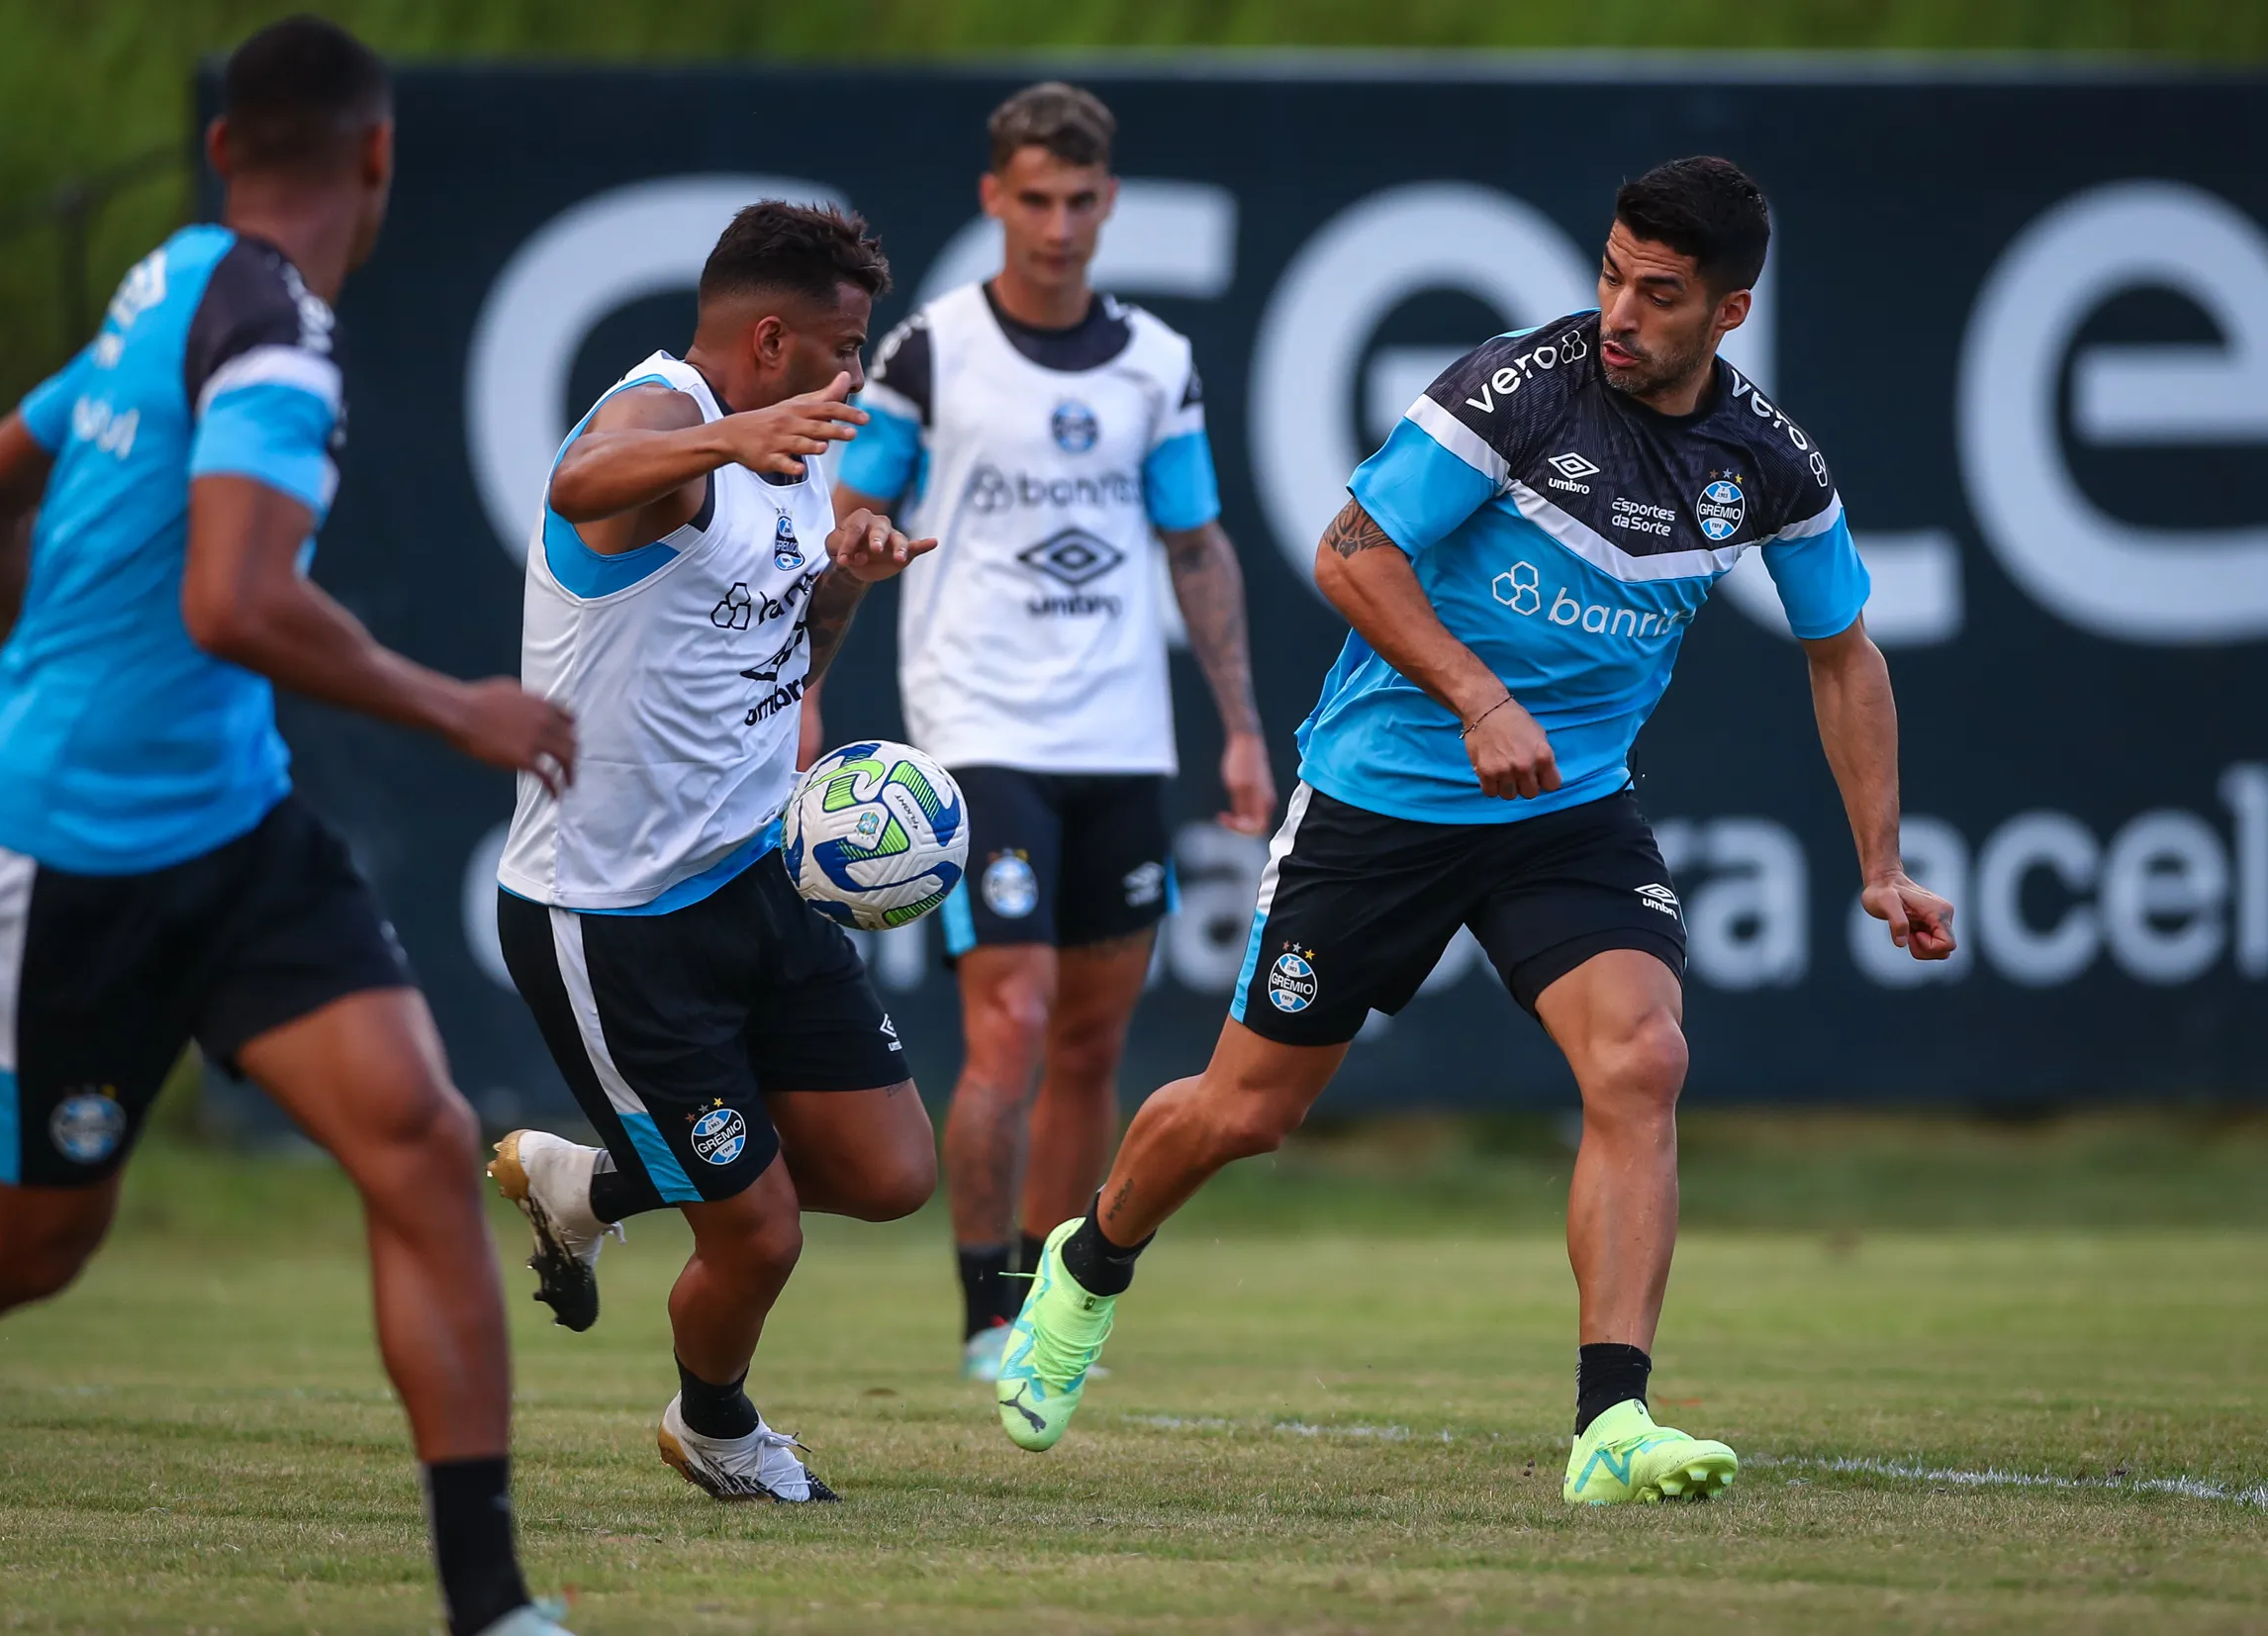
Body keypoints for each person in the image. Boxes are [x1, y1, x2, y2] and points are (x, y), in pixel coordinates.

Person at [990, 156, 1961, 1503]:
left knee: (1643, 1058)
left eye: (1659, 293)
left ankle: (1611, 1424)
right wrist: (1480, 696)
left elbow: (1844, 653)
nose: (1620, 309)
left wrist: (1879, 863)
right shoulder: (1518, 386)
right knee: (1244, 1113)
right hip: (1383, 795)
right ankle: (1087, 1262)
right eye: (1612, 273)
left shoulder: (1770, 464)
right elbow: (1348, 553)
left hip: (1566, 810)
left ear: (1728, 314)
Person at [0, 20, 577, 1635]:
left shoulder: (164, 280)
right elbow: (232, 601)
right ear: (378, 160)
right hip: (52, 852)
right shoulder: (276, 337)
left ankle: (492, 1605)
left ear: (225, 153)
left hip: (232, 834)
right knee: (15, 1249)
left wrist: (52, 651)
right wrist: (458, 707)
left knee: (424, 1142)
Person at [484, 201, 937, 1504]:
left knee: (890, 1173)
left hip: (754, 873)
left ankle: (592, 1182)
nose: (854, 377)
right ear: (774, 337)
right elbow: (581, 481)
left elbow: (787, 658)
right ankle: (716, 1427)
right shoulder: (665, 423)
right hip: (612, 917)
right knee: (760, 1235)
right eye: (844, 349)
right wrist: (732, 436)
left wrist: (846, 572)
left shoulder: (794, 460)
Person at [829, 82, 1276, 1382]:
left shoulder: (1157, 363)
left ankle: (1036, 1296)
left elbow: (1195, 546)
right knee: (1010, 1024)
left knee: (1090, 1040)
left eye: (1082, 201)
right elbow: (848, 527)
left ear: (1108, 203)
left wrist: (1240, 728)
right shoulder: (929, 352)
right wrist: (806, 676)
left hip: (1122, 739)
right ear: (994, 200)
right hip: (980, 732)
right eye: (1036, 200)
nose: (1060, 226)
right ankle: (979, 1311)